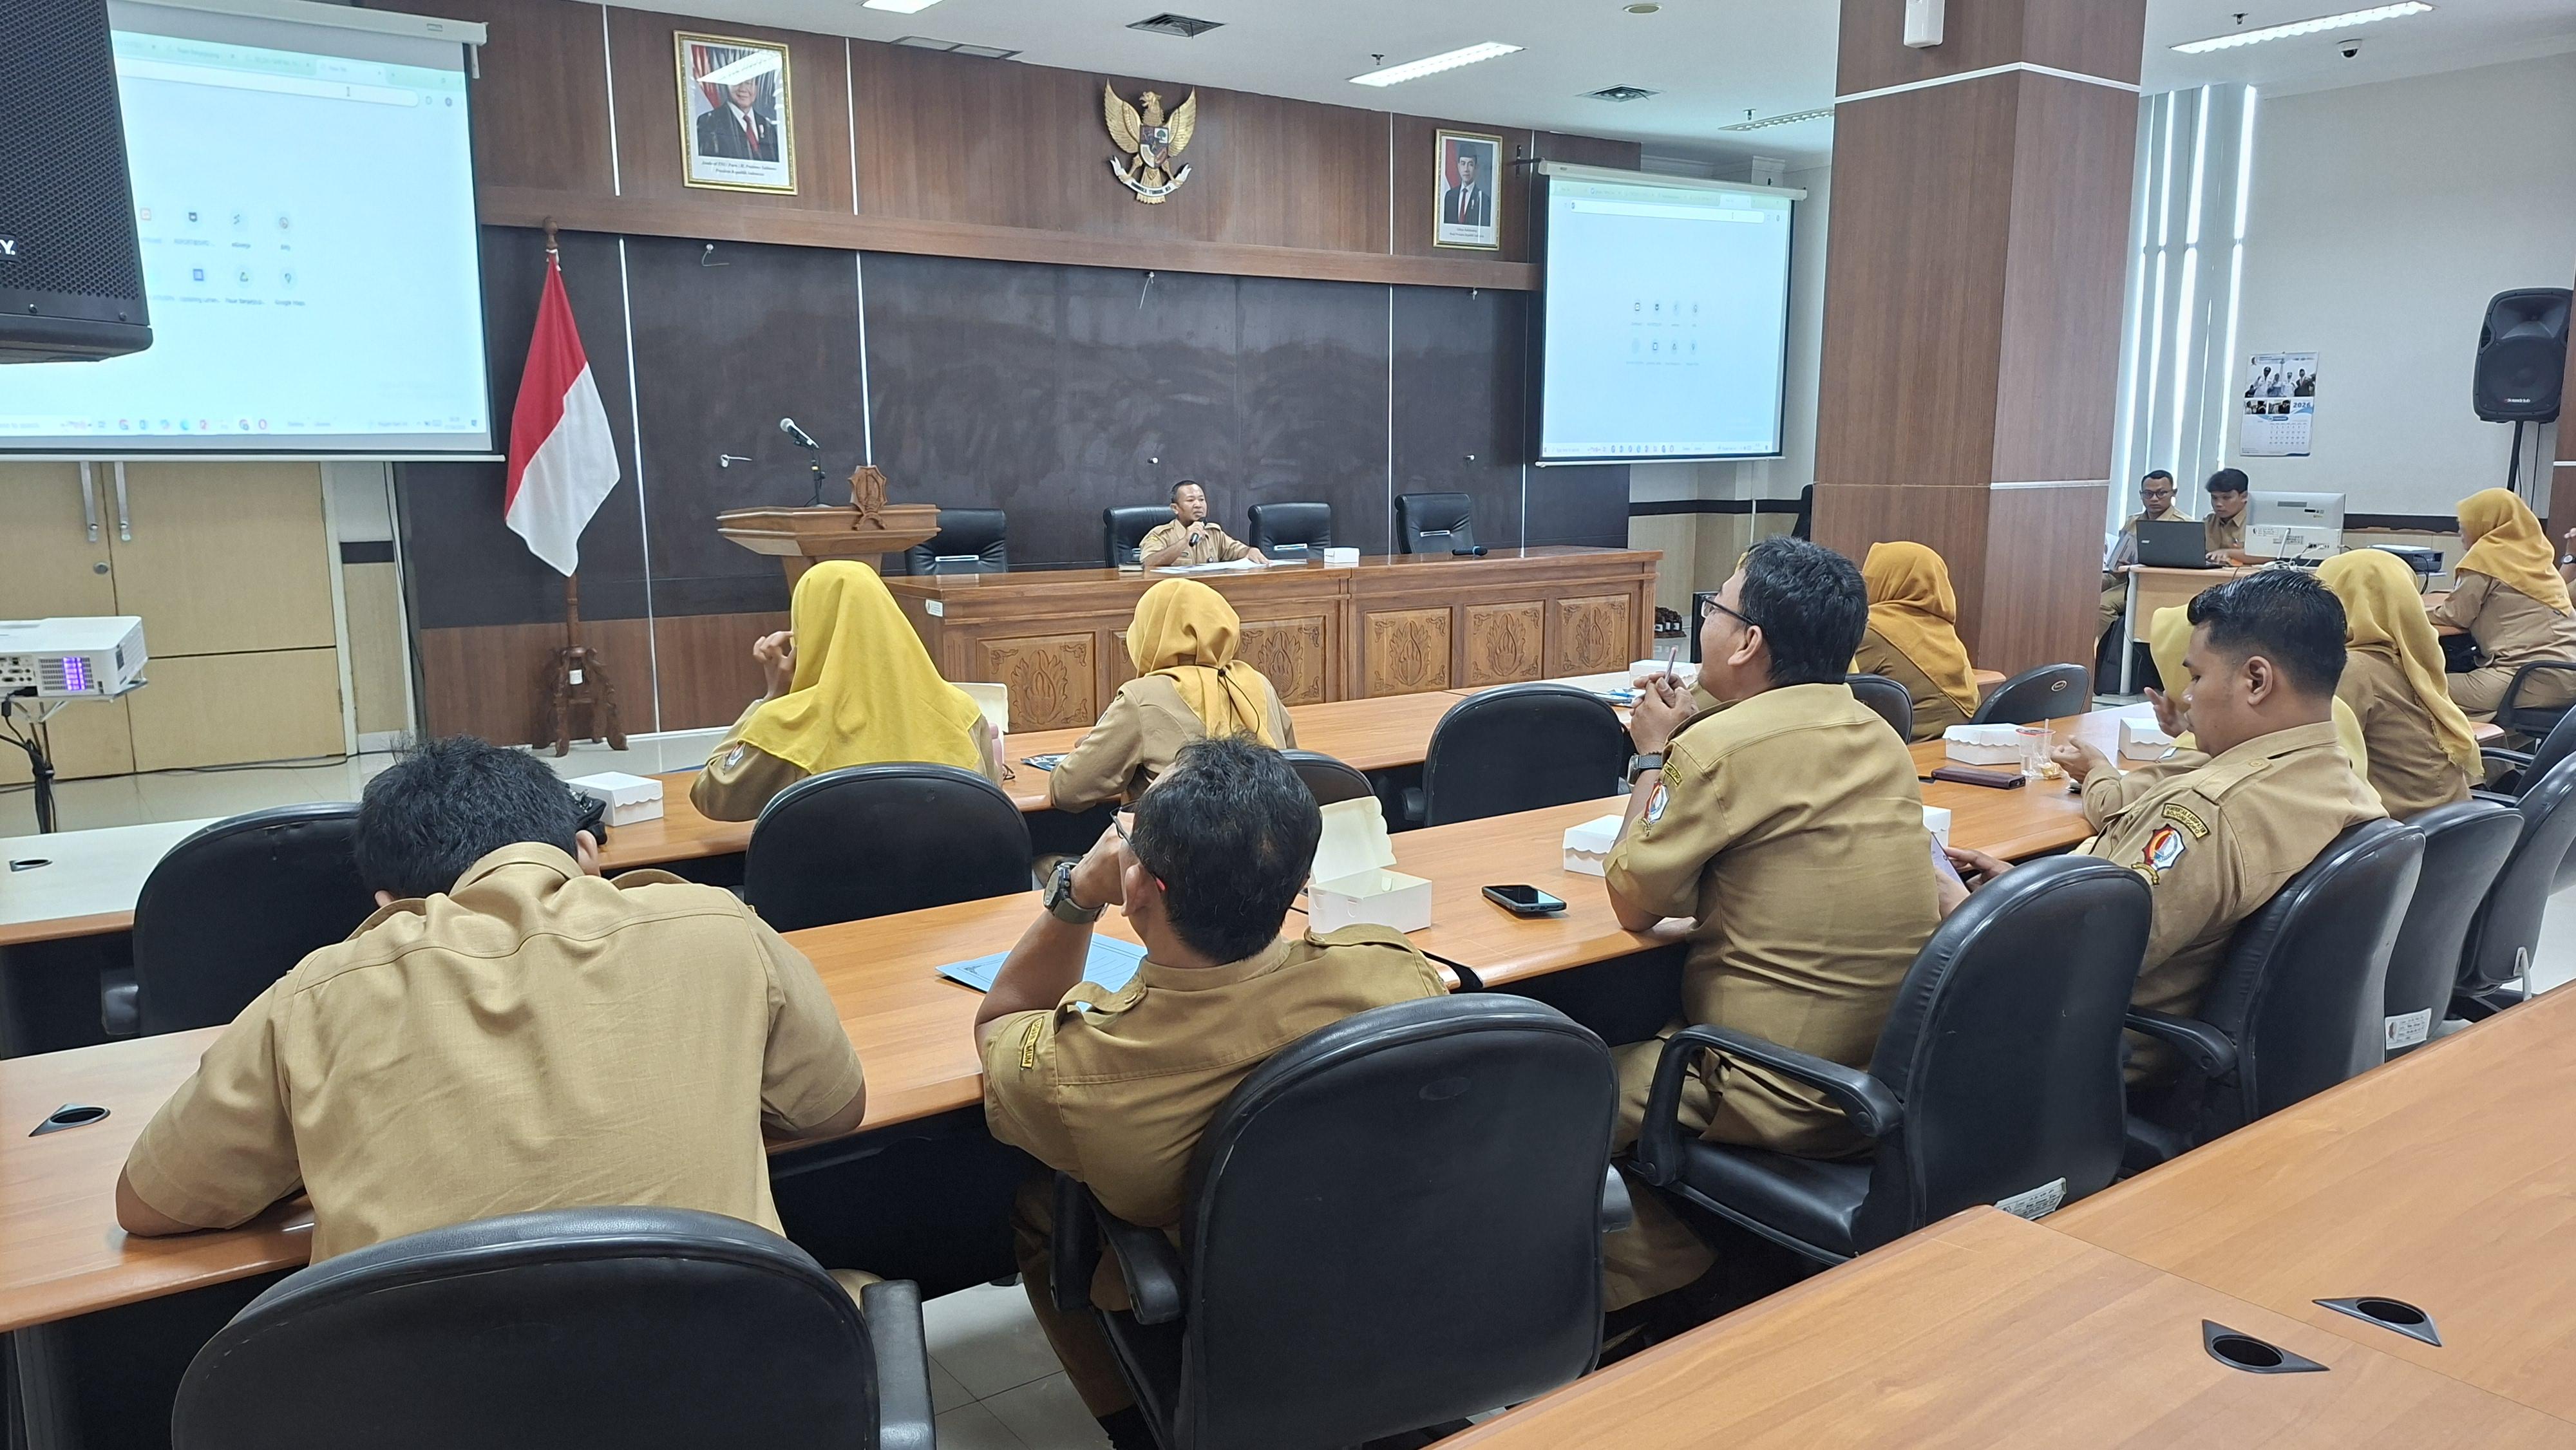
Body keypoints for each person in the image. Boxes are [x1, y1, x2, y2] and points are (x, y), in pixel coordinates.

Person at [115, 736, 869, 1267]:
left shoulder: (317, 991)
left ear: (387, 899)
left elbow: (153, 1203)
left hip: (418, 1414)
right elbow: (831, 1108)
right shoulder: (713, 922)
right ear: (586, 852)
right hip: (727, 1395)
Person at [978, 737, 1448, 1445]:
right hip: (1388, 1287)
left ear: (1137, 888)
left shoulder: (1081, 1066)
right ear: (1296, 884)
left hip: (1229, 1317)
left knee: (1041, 1205)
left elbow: (1000, 1022)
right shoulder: (1390, 972)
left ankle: (1140, 1422)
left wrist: (1076, 894)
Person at [1598, 537, 1940, 1321]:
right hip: (1876, 1080)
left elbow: (1631, 898)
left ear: (1749, 641)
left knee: (1548, 1082)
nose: (1707, 621)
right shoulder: (1876, 733)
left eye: (1715, 607)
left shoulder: (1716, 750)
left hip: (1764, 1085)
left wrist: (1653, 756)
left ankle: (1636, 1288)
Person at [1944, 572, 2383, 1083]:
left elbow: (2082, 963)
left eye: (2196, 677)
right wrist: (2028, 894)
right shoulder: (2340, 779)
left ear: (2257, 681)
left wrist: (1970, 910)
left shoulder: (2208, 811)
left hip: (2087, 1055)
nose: (2189, 699)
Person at [692, 561, 1000, 821]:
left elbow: (710, 794)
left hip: (828, 891)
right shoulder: (962, 712)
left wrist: (772, 697)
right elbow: (991, 805)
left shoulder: (786, 724)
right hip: (955, 890)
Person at [1047, 578, 1296, 811]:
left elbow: (1066, 791)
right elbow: (1296, 769)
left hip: (1182, 853)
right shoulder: (1258, 685)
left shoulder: (1142, 698)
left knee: (1046, 858)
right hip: (1267, 850)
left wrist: (1100, 751)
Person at [2318, 549, 2479, 817]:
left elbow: (2328, 764)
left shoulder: (2352, 668)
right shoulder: (2414, 653)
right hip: (2453, 823)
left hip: (2406, 830)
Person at [2432, 489, 2576, 721]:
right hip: (2567, 674)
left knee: (2413, 685)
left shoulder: (2486, 556)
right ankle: (2494, 753)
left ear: (2486, 522)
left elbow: (2454, 617)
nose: (2460, 530)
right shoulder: (2535, 554)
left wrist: (2402, 610)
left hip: (2526, 677)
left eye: (2464, 523)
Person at [1850, 541, 1982, 740]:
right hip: (1953, 749)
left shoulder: (1874, 627)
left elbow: (1822, 682)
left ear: (1888, 579)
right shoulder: (1942, 630)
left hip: (1910, 752)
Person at [2099, 469, 2188, 641]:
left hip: (2154, 584)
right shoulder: (2133, 521)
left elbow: (2183, 567)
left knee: (2102, 605)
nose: (2154, 499)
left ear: (2173, 493)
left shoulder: (2184, 525)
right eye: (2148, 494)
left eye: (2161, 493)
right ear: (2141, 495)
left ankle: (2116, 648)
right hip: (2124, 577)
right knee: (2085, 590)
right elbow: (2119, 555)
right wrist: (2117, 566)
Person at [1137, 480, 1265, 569]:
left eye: (1202, 500)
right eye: (1191, 500)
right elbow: (1149, 563)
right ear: (1175, 508)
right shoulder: (1161, 535)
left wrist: (1250, 551)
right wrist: (1185, 540)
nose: (1198, 505)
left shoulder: (1214, 533)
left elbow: (1238, 551)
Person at [694, 77, 779, 162]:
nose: (743, 89)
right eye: (736, 82)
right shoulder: (709, 122)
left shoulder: (769, 128)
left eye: (748, 83)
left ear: (757, 88)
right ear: (727, 85)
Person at [2202, 467, 2251, 563]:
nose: (2219, 504)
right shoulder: (2209, 521)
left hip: (2247, 576)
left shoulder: (2255, 521)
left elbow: (2267, 556)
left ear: (2244, 496)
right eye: (2214, 498)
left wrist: (2228, 553)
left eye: (2226, 498)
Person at [1442, 145, 1492, 229]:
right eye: (1463, 164)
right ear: (1458, 166)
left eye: (1470, 164)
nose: (1466, 169)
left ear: (1476, 167)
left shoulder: (1484, 200)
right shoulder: (1449, 196)